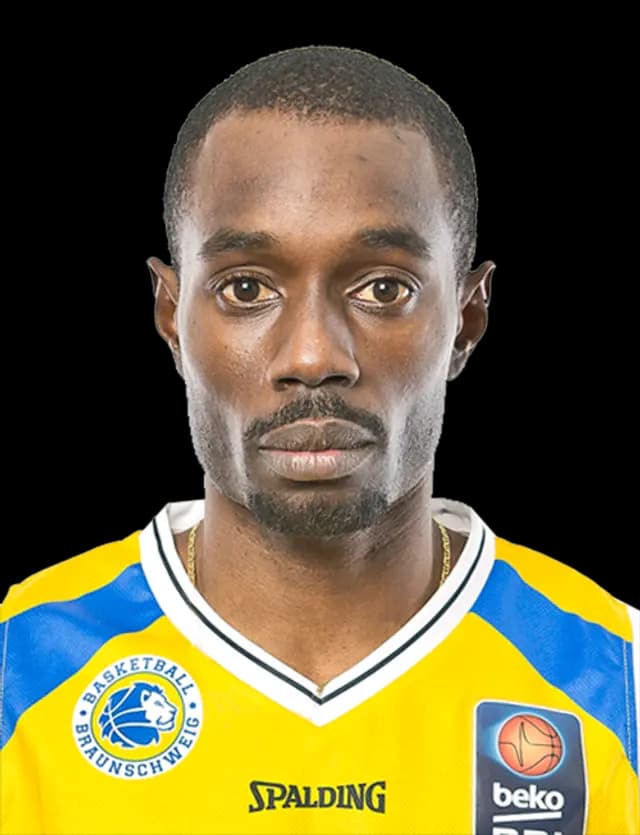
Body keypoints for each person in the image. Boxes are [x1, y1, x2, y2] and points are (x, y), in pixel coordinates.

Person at [1, 44, 637, 835]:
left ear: (467, 318)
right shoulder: (18, 670)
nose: (311, 356)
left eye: (383, 288)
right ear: (171, 316)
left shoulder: (616, 676)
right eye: (246, 288)